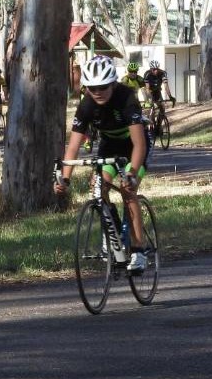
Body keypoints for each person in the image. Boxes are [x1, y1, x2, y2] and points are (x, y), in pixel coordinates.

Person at [54, 55, 152, 272]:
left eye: (103, 87)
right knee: (98, 187)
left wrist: (132, 173)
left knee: (128, 190)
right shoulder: (86, 105)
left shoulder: (126, 98)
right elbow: (73, 147)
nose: (97, 92)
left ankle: (139, 251)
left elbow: (139, 145)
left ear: (113, 83)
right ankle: (113, 227)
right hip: (110, 145)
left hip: (134, 146)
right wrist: (65, 177)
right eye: (92, 88)